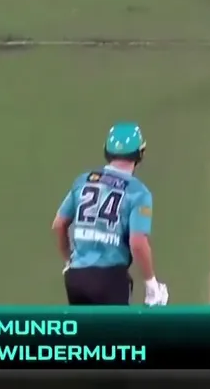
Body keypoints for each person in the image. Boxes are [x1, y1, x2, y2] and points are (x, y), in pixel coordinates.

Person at [52, 122, 169, 306]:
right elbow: (138, 243)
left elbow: (59, 224)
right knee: (116, 325)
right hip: (110, 279)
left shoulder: (83, 181)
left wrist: (69, 261)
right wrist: (151, 284)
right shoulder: (138, 193)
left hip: (75, 278)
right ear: (140, 153)